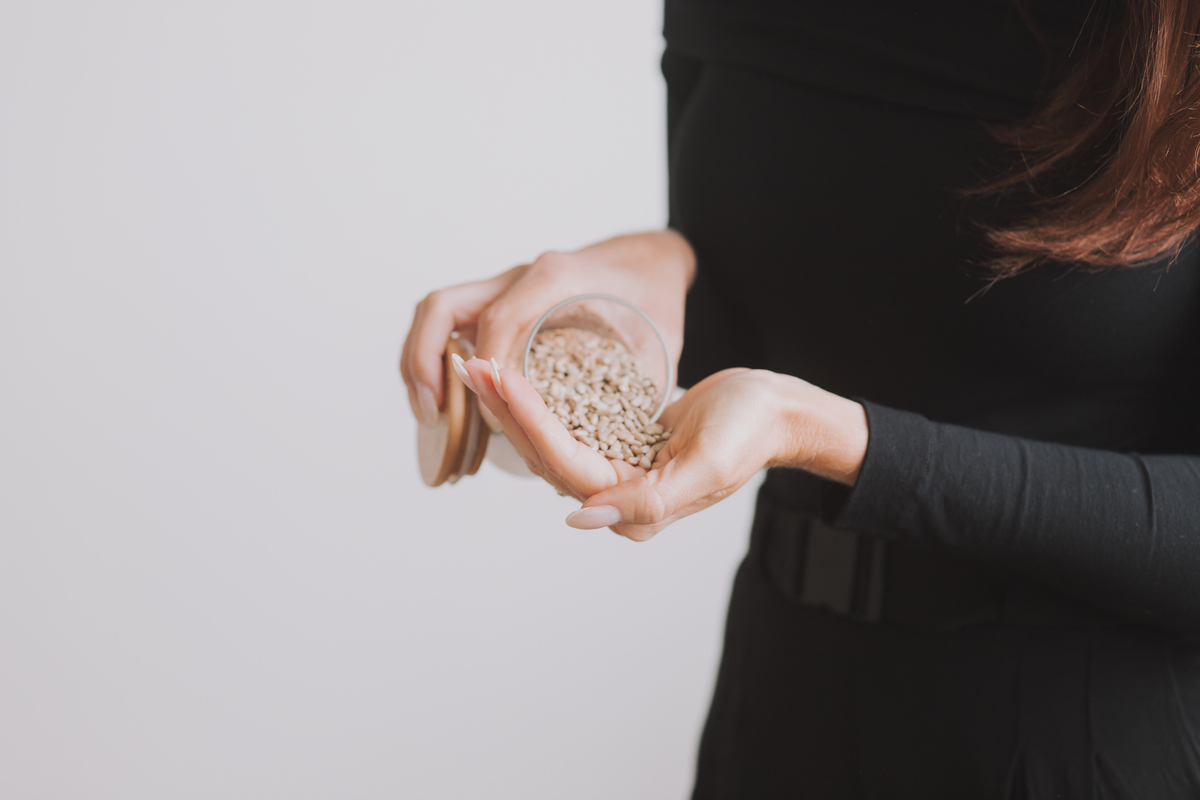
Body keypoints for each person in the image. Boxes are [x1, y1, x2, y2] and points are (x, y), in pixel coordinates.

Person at [402, 0, 1200, 795]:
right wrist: (651, 281)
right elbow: (803, 305)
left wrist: (836, 439)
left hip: (1078, 738)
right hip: (779, 700)